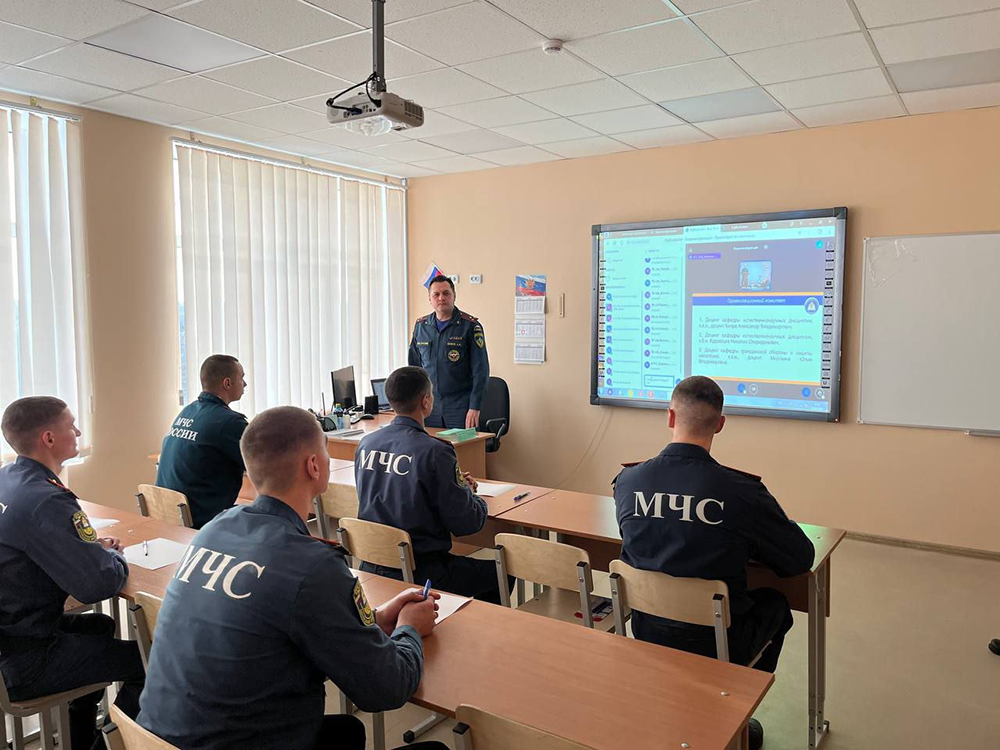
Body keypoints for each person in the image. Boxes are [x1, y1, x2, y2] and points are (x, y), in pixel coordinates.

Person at [138, 405, 445, 750]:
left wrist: (373, 620)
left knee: (346, 732)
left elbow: (275, 620)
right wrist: (408, 628)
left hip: (154, 738)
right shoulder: (313, 565)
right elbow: (387, 689)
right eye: (325, 452)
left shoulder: (213, 529)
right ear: (313, 466)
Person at [613, 376, 815, 750]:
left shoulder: (627, 482)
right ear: (720, 424)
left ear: (670, 417)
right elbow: (800, 559)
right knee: (776, 603)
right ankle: (734, 715)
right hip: (719, 641)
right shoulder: (742, 493)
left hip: (646, 628)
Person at [0, 397, 145, 750]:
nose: (78, 432)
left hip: (11, 637)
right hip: (24, 660)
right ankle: (106, 746)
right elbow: (98, 585)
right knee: (151, 663)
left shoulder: (8, 479)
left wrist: (87, 549)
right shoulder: (47, 499)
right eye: (71, 425)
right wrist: (112, 556)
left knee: (100, 626)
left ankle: (80, 737)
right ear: (48, 438)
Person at [354, 366, 508, 604]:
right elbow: (468, 522)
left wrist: (452, 483)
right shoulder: (436, 452)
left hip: (371, 564)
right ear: (426, 402)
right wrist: (469, 494)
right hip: (422, 571)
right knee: (503, 574)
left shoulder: (366, 444)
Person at [155, 354, 248, 528]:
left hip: (171, 516)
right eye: (242, 378)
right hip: (202, 520)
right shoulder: (229, 422)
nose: (245, 384)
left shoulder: (187, 412)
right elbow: (263, 466)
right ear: (227, 383)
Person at [408, 275, 489, 429]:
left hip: (461, 407)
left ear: (454, 296)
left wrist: (475, 407)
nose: (441, 298)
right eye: (436, 294)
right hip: (429, 406)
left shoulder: (470, 326)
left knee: (462, 445)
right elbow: (414, 369)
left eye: (446, 293)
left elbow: (481, 371)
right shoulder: (421, 327)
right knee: (428, 444)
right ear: (430, 299)